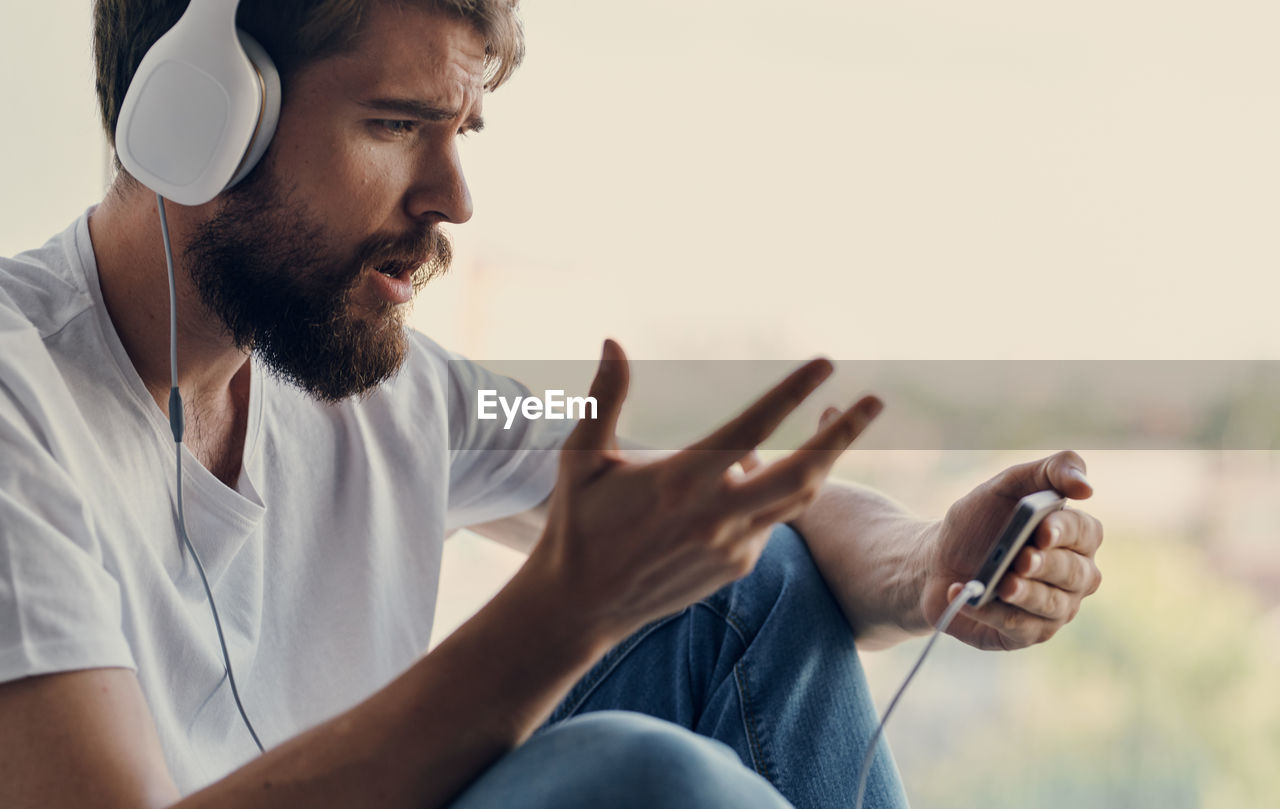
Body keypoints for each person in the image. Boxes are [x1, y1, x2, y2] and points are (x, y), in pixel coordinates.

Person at [0, 2, 1105, 808]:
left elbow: (708, 500)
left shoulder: (400, 390)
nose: (454, 198)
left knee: (751, 578)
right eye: (394, 126)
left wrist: (925, 564)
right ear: (199, 119)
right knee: (640, 774)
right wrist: (563, 611)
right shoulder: (20, 398)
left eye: (459, 131)